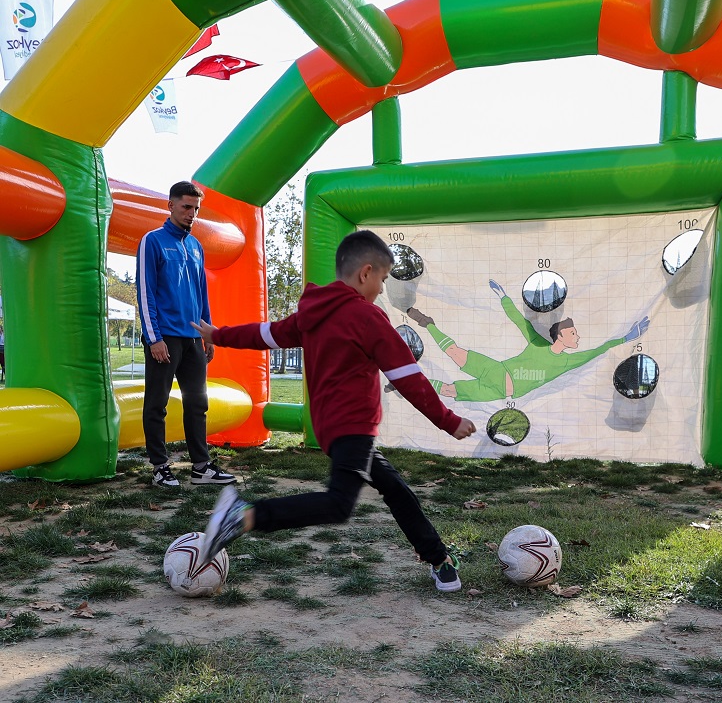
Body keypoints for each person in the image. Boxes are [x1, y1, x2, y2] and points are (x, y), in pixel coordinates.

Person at [192, 230, 476, 592]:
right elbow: (408, 378)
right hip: (353, 426)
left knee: (395, 489)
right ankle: (243, 516)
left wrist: (220, 335)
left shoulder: (312, 314)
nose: (381, 289)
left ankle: (438, 558)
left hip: (333, 428)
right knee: (339, 505)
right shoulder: (368, 318)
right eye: (383, 280)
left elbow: (266, 334)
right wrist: (449, 422)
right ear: (366, 273)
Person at [137, 181, 235, 489]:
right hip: (164, 338)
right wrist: (153, 338)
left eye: (195, 209)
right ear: (170, 205)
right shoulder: (152, 241)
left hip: (193, 339)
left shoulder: (195, 246)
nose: (191, 214)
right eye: (186, 207)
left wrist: (207, 334)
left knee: (197, 403)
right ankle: (159, 468)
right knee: (157, 404)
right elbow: (145, 292)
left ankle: (201, 467)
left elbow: (202, 292)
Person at [403, 279, 649, 402]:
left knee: (448, 390)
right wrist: (504, 297)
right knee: (455, 353)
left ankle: (407, 385)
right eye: (573, 333)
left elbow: (600, 349)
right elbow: (519, 321)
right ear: (560, 335)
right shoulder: (537, 343)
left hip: (499, 392)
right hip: (496, 371)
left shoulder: (568, 362)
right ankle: (428, 324)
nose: (578, 337)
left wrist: (628, 337)